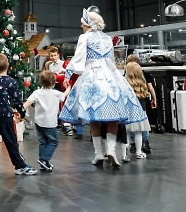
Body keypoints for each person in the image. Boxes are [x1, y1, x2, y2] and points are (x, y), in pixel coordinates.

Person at [59, 10, 145, 167]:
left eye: (83, 23)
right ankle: (111, 150)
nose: (81, 26)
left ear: (88, 24)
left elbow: (78, 57)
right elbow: (111, 60)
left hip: (92, 76)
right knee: (114, 115)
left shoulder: (84, 37)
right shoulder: (107, 38)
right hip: (110, 76)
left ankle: (99, 153)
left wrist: (68, 74)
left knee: (92, 116)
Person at [0, 53, 37, 176]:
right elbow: (17, 101)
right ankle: (20, 166)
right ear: (8, 65)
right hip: (6, 118)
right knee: (11, 142)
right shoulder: (11, 82)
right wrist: (23, 113)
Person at [23, 70, 70, 172]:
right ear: (53, 82)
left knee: (43, 142)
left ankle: (43, 163)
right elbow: (65, 95)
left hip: (39, 122)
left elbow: (27, 104)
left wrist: (20, 113)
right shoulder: (56, 93)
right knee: (53, 142)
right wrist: (68, 87)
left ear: (41, 81)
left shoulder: (37, 93)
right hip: (50, 123)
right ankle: (44, 160)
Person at [126, 54, 157, 155]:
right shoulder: (143, 75)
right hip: (142, 104)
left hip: (130, 107)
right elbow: (151, 88)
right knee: (142, 124)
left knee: (130, 126)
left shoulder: (126, 78)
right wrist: (154, 99)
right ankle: (144, 142)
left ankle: (133, 144)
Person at [124, 62, 151, 160]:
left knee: (126, 132)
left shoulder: (125, 83)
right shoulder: (142, 83)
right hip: (140, 113)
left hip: (127, 111)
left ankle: (124, 153)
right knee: (138, 132)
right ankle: (139, 152)